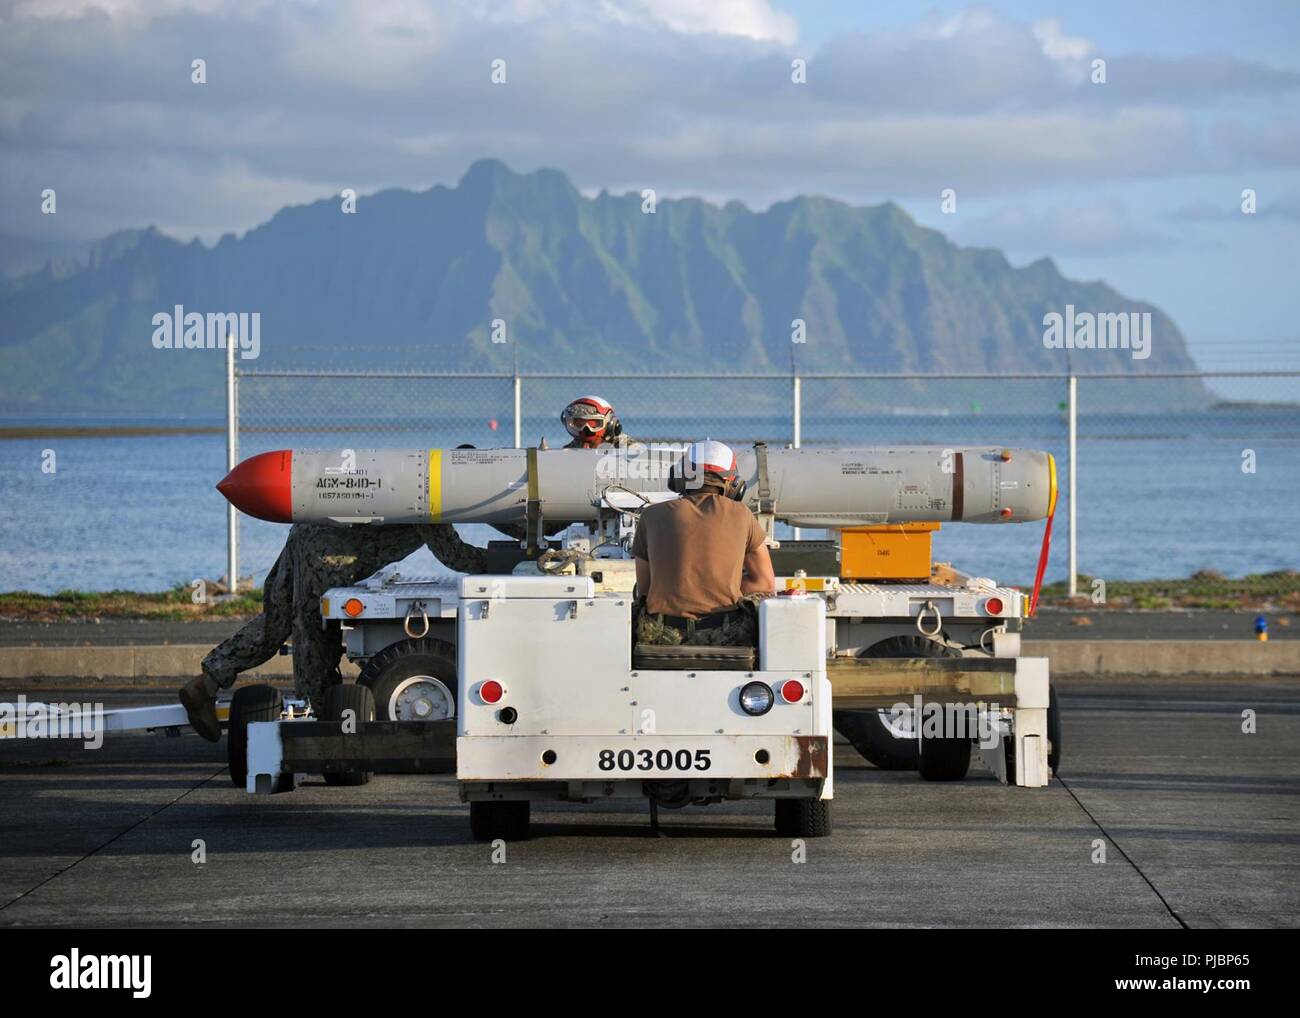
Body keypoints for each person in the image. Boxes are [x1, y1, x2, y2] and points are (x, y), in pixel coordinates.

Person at [180, 523, 486, 741]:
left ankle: (206, 683)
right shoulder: (431, 500)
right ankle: (319, 730)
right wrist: (505, 561)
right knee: (315, 637)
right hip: (332, 552)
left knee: (277, 620)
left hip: (308, 531)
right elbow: (455, 556)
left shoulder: (415, 482)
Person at [631, 440, 775, 647]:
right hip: (725, 635)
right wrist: (726, 586)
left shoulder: (651, 515)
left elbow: (645, 589)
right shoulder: (742, 515)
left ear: (681, 476)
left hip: (662, 638)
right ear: (733, 483)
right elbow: (765, 583)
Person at [560, 395, 627, 449]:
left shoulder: (627, 448)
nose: (586, 428)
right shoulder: (568, 451)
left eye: (593, 423)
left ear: (610, 424)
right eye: (579, 423)